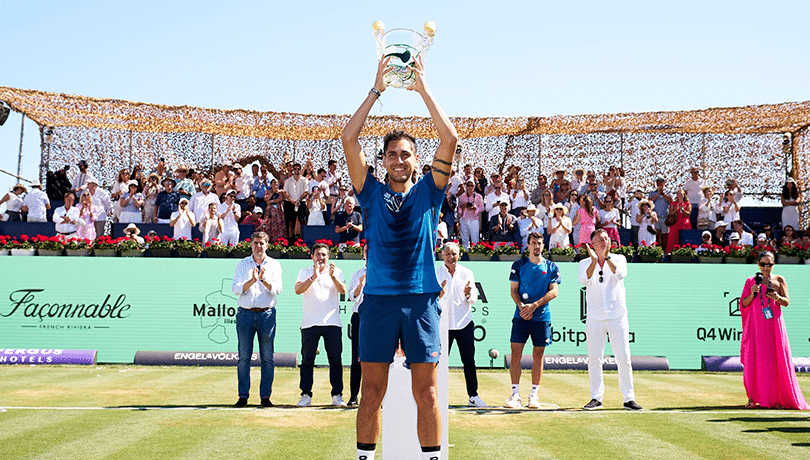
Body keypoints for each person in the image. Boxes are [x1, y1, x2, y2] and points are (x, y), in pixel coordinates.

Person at [340, 54, 457, 460]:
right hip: (378, 300)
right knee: (370, 392)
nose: (399, 160)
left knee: (426, 392)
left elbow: (450, 139)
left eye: (406, 153)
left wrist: (422, 88)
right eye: (392, 154)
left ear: (415, 160)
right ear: (383, 160)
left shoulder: (430, 190)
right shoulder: (369, 191)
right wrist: (377, 88)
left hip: (421, 299)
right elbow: (348, 138)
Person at [579, 229, 643, 411]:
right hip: (594, 318)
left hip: (618, 316)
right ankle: (596, 397)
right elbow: (585, 279)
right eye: (600, 239)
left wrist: (606, 259)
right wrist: (594, 261)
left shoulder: (619, 258)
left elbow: (620, 274)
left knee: (623, 357)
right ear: (592, 243)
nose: (604, 242)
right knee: (594, 359)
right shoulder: (585, 262)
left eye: (606, 239)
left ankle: (629, 398)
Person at [739, 252, 809, 410]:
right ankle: (753, 397)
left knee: (775, 359)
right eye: (763, 264)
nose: (766, 267)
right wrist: (753, 293)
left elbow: (786, 302)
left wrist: (776, 297)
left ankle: (777, 398)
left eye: (769, 264)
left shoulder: (779, 280)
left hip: (774, 325)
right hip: (756, 325)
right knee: (754, 359)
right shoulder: (751, 281)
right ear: (758, 264)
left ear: (773, 264)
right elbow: (743, 304)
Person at [505, 231, 560, 409]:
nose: (537, 246)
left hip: (541, 317)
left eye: (539, 243)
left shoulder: (551, 267)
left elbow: (554, 292)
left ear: (543, 245)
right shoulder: (518, 265)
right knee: (516, 354)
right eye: (534, 243)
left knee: (538, 355)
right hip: (520, 316)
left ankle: (533, 396)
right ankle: (515, 395)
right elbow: (514, 290)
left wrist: (534, 305)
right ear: (528, 245)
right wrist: (522, 307)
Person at [231, 231, 282, 408]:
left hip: (266, 314)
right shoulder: (243, 264)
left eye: (262, 243)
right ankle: (243, 396)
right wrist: (252, 281)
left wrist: (264, 280)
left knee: (267, 358)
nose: (258, 246)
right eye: (256, 243)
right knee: (243, 357)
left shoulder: (274, 264)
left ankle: (265, 397)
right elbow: (236, 289)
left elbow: (277, 289)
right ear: (251, 244)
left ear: (267, 245)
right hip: (245, 314)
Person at [294, 242, 347, 407]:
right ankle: (306, 395)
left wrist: (333, 277)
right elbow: (298, 290)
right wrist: (313, 277)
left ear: (328, 256)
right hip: (310, 323)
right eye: (317, 254)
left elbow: (343, 290)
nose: (321, 258)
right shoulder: (305, 272)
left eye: (324, 254)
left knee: (335, 360)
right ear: (312, 256)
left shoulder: (336, 272)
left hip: (332, 322)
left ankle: (337, 395)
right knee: (307, 361)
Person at [436, 242, 486, 407]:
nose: (451, 257)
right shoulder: (436, 272)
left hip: (464, 322)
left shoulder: (466, 272)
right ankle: (438, 396)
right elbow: (432, 300)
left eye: (454, 254)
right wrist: (440, 293)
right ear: (442, 255)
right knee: (440, 362)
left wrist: (468, 293)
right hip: (443, 325)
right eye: (448, 254)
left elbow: (473, 298)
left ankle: (473, 396)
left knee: (469, 361)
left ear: (459, 255)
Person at [346, 244, 368, 406]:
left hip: (379, 319)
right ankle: (353, 396)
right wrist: (360, 285)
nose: (369, 253)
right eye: (367, 251)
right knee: (357, 358)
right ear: (363, 254)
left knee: (380, 359)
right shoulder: (357, 274)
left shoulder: (384, 272)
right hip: (359, 317)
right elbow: (352, 297)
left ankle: (379, 397)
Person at [457, 179, 484, 249]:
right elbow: (459, 209)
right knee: (464, 239)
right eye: (468, 185)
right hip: (464, 219)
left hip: (474, 219)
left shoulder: (478, 196)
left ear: (474, 186)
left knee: (475, 239)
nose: (470, 187)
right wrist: (464, 206)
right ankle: (466, 253)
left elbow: (482, 208)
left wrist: (475, 208)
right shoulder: (462, 196)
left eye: (471, 185)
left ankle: (474, 254)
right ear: (466, 186)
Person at [649, 178, 672, 247]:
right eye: (658, 183)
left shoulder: (668, 192)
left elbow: (671, 200)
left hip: (665, 217)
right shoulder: (652, 193)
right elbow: (650, 202)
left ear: (664, 183)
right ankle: (658, 250)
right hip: (655, 217)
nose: (660, 185)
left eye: (661, 183)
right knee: (656, 235)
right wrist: (657, 194)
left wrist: (663, 193)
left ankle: (665, 251)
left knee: (665, 235)